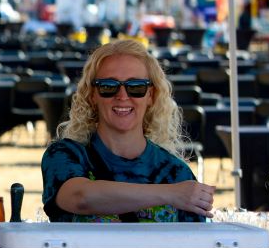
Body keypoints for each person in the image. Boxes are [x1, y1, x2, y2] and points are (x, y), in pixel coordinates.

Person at [41, 39, 215, 223]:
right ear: (92, 95)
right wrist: (170, 194)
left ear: (151, 95)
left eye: (136, 87)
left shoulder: (176, 172)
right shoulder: (66, 155)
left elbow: (191, 246)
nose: (122, 96)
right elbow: (80, 198)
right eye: (108, 86)